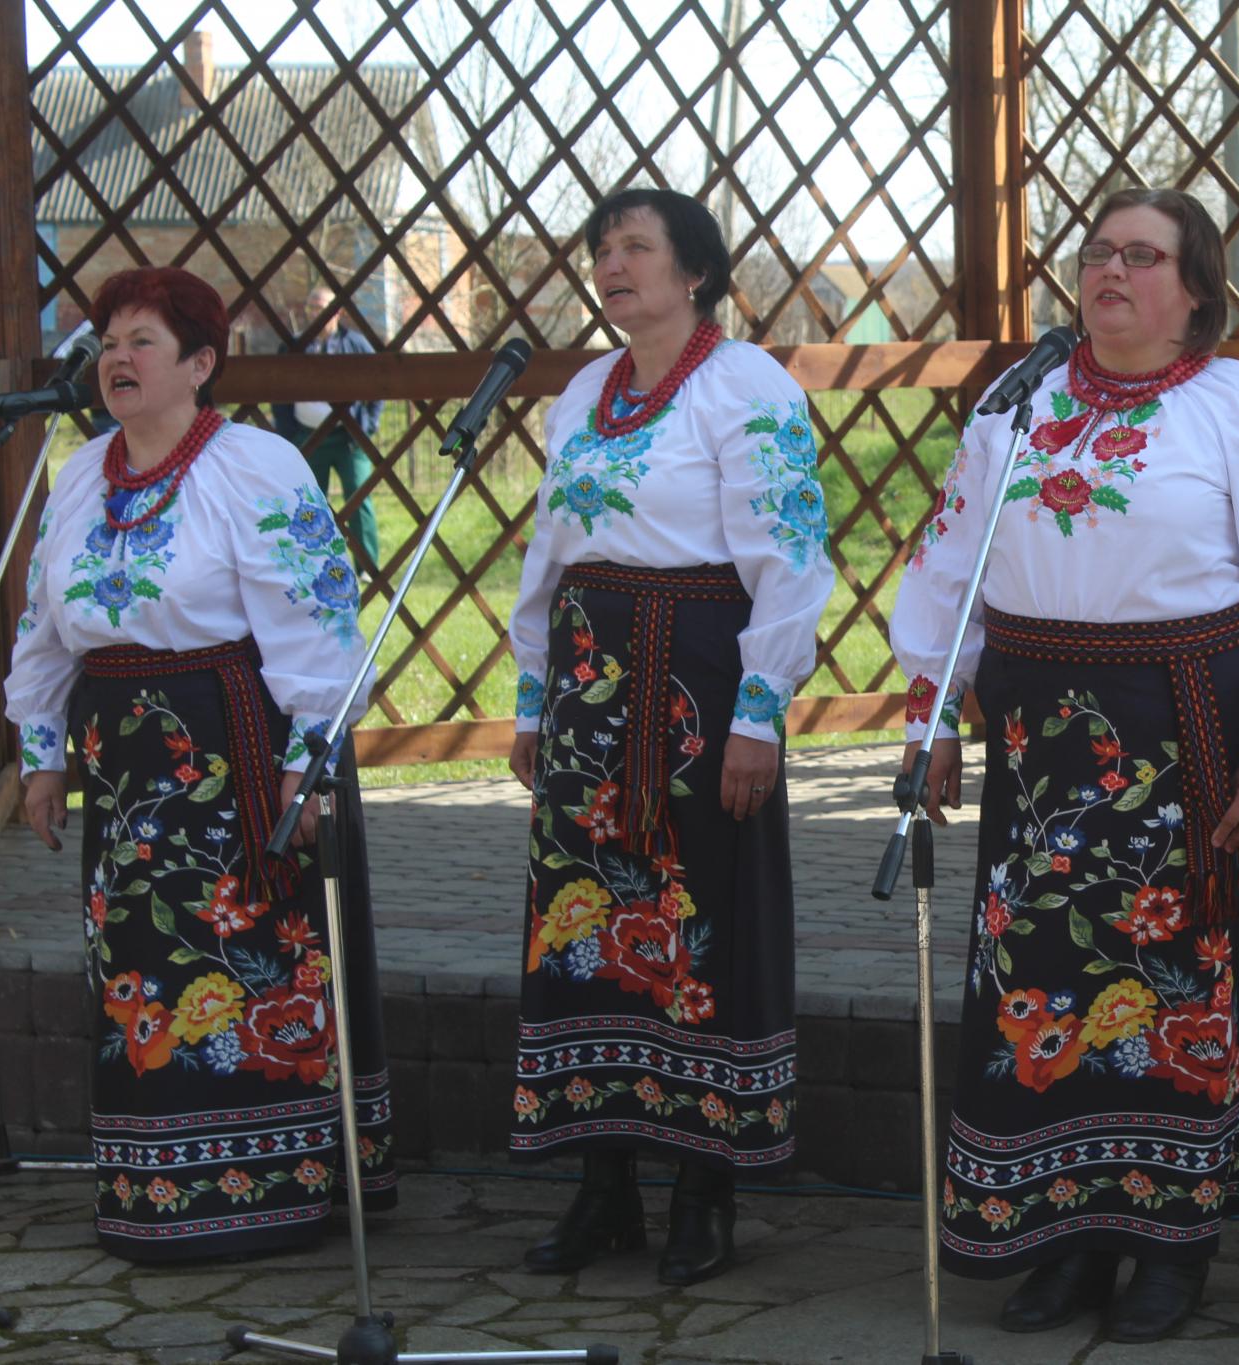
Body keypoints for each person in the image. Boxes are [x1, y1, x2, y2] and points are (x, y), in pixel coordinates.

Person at [890, 187, 1239, 1342]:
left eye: (1139, 256)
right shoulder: (1019, 404)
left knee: (1170, 989)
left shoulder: (1237, 406)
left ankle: (1166, 1241)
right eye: (1096, 253)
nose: (1109, 272)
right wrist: (930, 718)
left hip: (1180, 738)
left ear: (1193, 287)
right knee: (1039, 982)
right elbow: (946, 565)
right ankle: (1063, 1238)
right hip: (1041, 745)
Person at [6, 266, 397, 1262]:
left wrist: (308, 765)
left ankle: (278, 1188)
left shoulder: (254, 467)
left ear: (201, 364)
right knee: (137, 966)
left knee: (250, 960)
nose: (117, 360)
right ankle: (159, 1194)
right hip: (126, 761)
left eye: (143, 341)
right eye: (108, 343)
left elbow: (313, 624)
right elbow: (45, 631)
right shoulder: (81, 476)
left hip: (236, 749)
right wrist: (42, 754)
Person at [506, 187, 832, 1286]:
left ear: (694, 271)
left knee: (702, 924)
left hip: (698, 683)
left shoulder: (746, 387)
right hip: (593, 688)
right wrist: (529, 697)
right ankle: (604, 1189)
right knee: (585, 929)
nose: (612, 265)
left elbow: (788, 560)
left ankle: (706, 1189)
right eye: (601, 249)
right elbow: (547, 556)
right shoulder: (584, 391)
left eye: (635, 248)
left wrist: (759, 711)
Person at [273, 285, 382, 570]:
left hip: (349, 436)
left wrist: (369, 424)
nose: (315, 314)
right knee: (308, 502)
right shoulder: (293, 346)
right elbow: (277, 389)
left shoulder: (355, 344)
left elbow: (379, 381)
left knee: (358, 498)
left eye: (321, 308)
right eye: (311, 308)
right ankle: (311, 560)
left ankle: (367, 566)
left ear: (338, 312)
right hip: (308, 436)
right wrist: (289, 434)